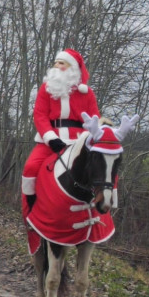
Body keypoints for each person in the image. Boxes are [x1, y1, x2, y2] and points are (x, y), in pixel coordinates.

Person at [21, 48, 100, 212]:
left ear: (72, 68)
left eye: (61, 63)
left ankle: (104, 206)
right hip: (51, 140)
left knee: (104, 168)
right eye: (55, 62)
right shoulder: (46, 88)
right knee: (30, 168)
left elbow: (94, 120)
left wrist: (90, 139)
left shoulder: (87, 93)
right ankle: (30, 207)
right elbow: (40, 115)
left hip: (80, 140)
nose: (56, 66)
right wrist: (50, 138)